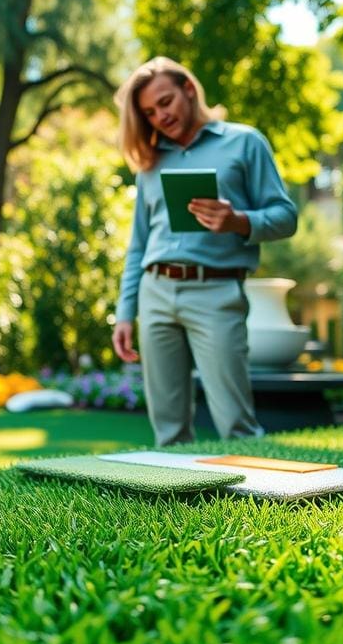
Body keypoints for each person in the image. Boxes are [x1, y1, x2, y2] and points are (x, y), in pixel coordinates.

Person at [111, 56, 297, 444]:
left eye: (165, 102)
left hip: (216, 292)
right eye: (149, 113)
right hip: (155, 293)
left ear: (189, 90)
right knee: (169, 431)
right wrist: (125, 313)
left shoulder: (244, 142)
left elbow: (285, 217)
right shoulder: (150, 164)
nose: (160, 116)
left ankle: (252, 483)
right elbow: (138, 245)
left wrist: (239, 221)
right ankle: (176, 485)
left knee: (236, 425)